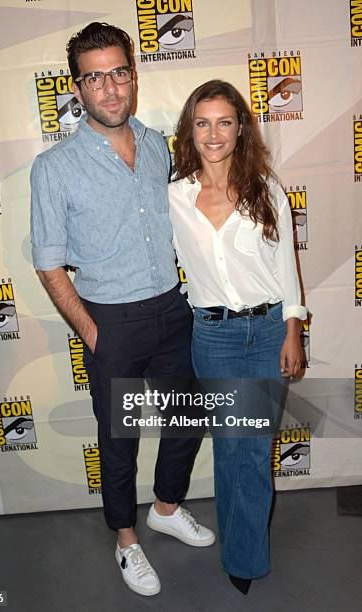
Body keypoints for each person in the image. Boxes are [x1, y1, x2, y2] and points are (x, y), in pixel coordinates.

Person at [30, 22, 214, 598]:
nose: (109, 88)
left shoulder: (158, 143)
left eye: (117, 72)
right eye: (94, 77)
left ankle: (164, 507)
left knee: (187, 419)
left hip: (172, 308)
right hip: (111, 318)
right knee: (120, 439)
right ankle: (127, 539)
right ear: (77, 87)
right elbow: (48, 262)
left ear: (132, 75)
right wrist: (91, 330)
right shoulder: (54, 167)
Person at [169, 80, 307, 594]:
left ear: (240, 128)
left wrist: (292, 331)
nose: (213, 133)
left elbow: (285, 268)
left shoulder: (265, 188)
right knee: (232, 446)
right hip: (213, 337)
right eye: (202, 122)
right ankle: (238, 540)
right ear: (190, 130)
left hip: (269, 330)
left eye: (224, 121)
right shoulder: (173, 197)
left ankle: (244, 560)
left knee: (250, 449)